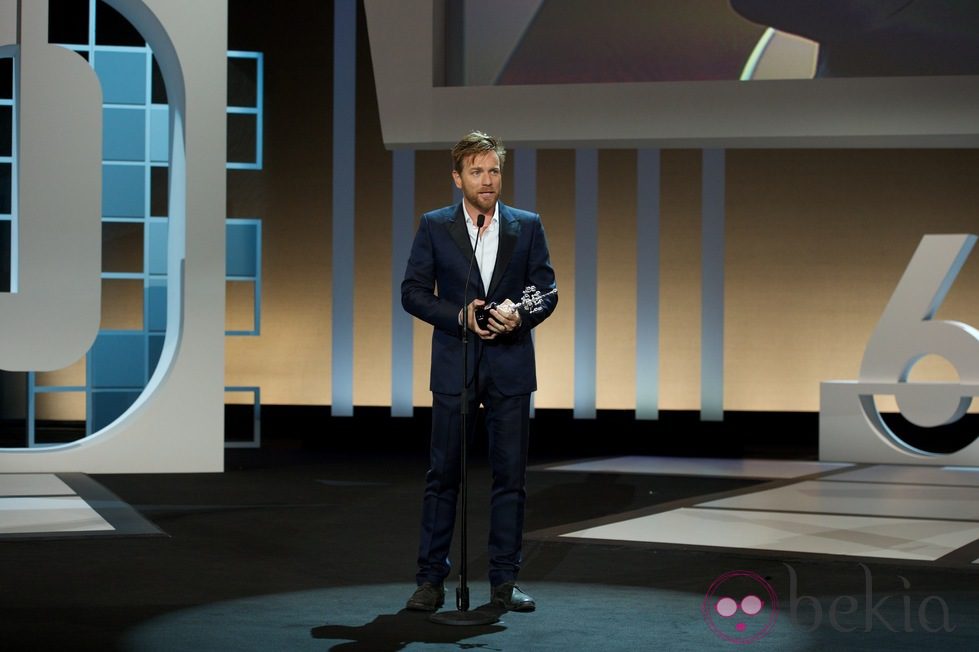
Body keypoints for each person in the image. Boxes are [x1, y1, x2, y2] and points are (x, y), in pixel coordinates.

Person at [401, 131, 558, 613]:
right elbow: (412, 291)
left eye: (493, 171)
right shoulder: (434, 226)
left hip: (510, 367)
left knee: (510, 478)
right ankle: (430, 580)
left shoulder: (525, 225)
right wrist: (459, 316)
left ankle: (504, 582)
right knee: (443, 475)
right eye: (476, 171)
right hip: (456, 366)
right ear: (457, 178)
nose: (487, 180)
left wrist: (520, 315)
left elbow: (546, 289)